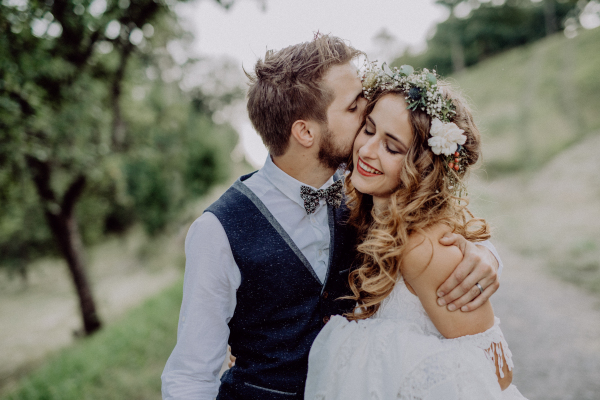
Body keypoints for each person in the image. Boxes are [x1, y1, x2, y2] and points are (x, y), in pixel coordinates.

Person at [161, 35, 502, 400]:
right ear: (305, 131)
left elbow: (430, 237)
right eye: (356, 108)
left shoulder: (365, 192)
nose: (368, 114)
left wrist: (485, 255)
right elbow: (191, 376)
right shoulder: (217, 231)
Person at [304, 63, 527, 399]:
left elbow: (497, 375)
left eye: (391, 147)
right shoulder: (366, 216)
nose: (366, 150)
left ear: (423, 167)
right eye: (368, 129)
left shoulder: (422, 248)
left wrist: (371, 345)